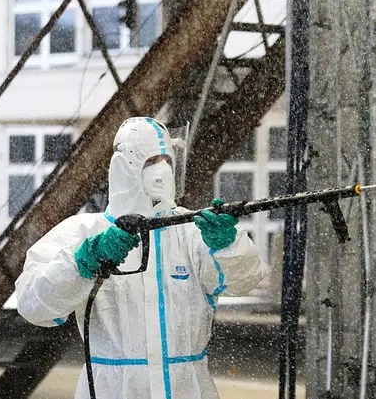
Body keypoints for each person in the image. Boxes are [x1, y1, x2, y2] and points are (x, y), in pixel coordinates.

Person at [15, 117, 268, 399]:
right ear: (123, 168)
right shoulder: (83, 233)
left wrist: (228, 246)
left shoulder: (193, 231)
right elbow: (33, 305)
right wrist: (81, 263)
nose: (162, 170)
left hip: (188, 389)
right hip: (112, 391)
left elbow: (245, 280)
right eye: (151, 161)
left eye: (167, 161)